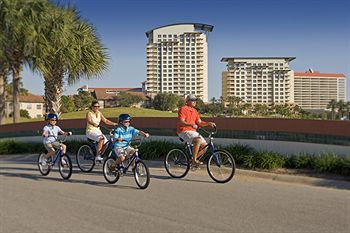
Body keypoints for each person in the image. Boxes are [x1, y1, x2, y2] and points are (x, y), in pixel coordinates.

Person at [177, 94, 216, 166]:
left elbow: (200, 122)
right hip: (183, 131)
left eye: (195, 100)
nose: (194, 102)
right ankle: (194, 160)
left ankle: (192, 160)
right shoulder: (183, 109)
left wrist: (208, 123)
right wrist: (191, 124)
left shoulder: (195, 111)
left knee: (205, 146)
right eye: (192, 100)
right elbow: (181, 122)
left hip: (192, 132)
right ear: (187, 101)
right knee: (198, 140)